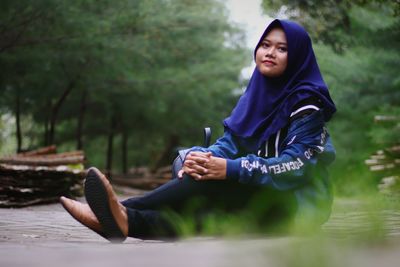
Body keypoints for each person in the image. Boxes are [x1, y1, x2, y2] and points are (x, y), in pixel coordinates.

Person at [60, 18, 336, 243]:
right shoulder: (257, 95)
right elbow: (230, 143)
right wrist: (204, 156)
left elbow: (297, 166)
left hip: (297, 205)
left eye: (282, 48)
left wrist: (230, 168)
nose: (270, 53)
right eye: (265, 45)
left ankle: (121, 209)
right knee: (204, 211)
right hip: (259, 195)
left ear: (297, 56)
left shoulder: (307, 103)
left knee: (209, 189)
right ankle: (124, 221)